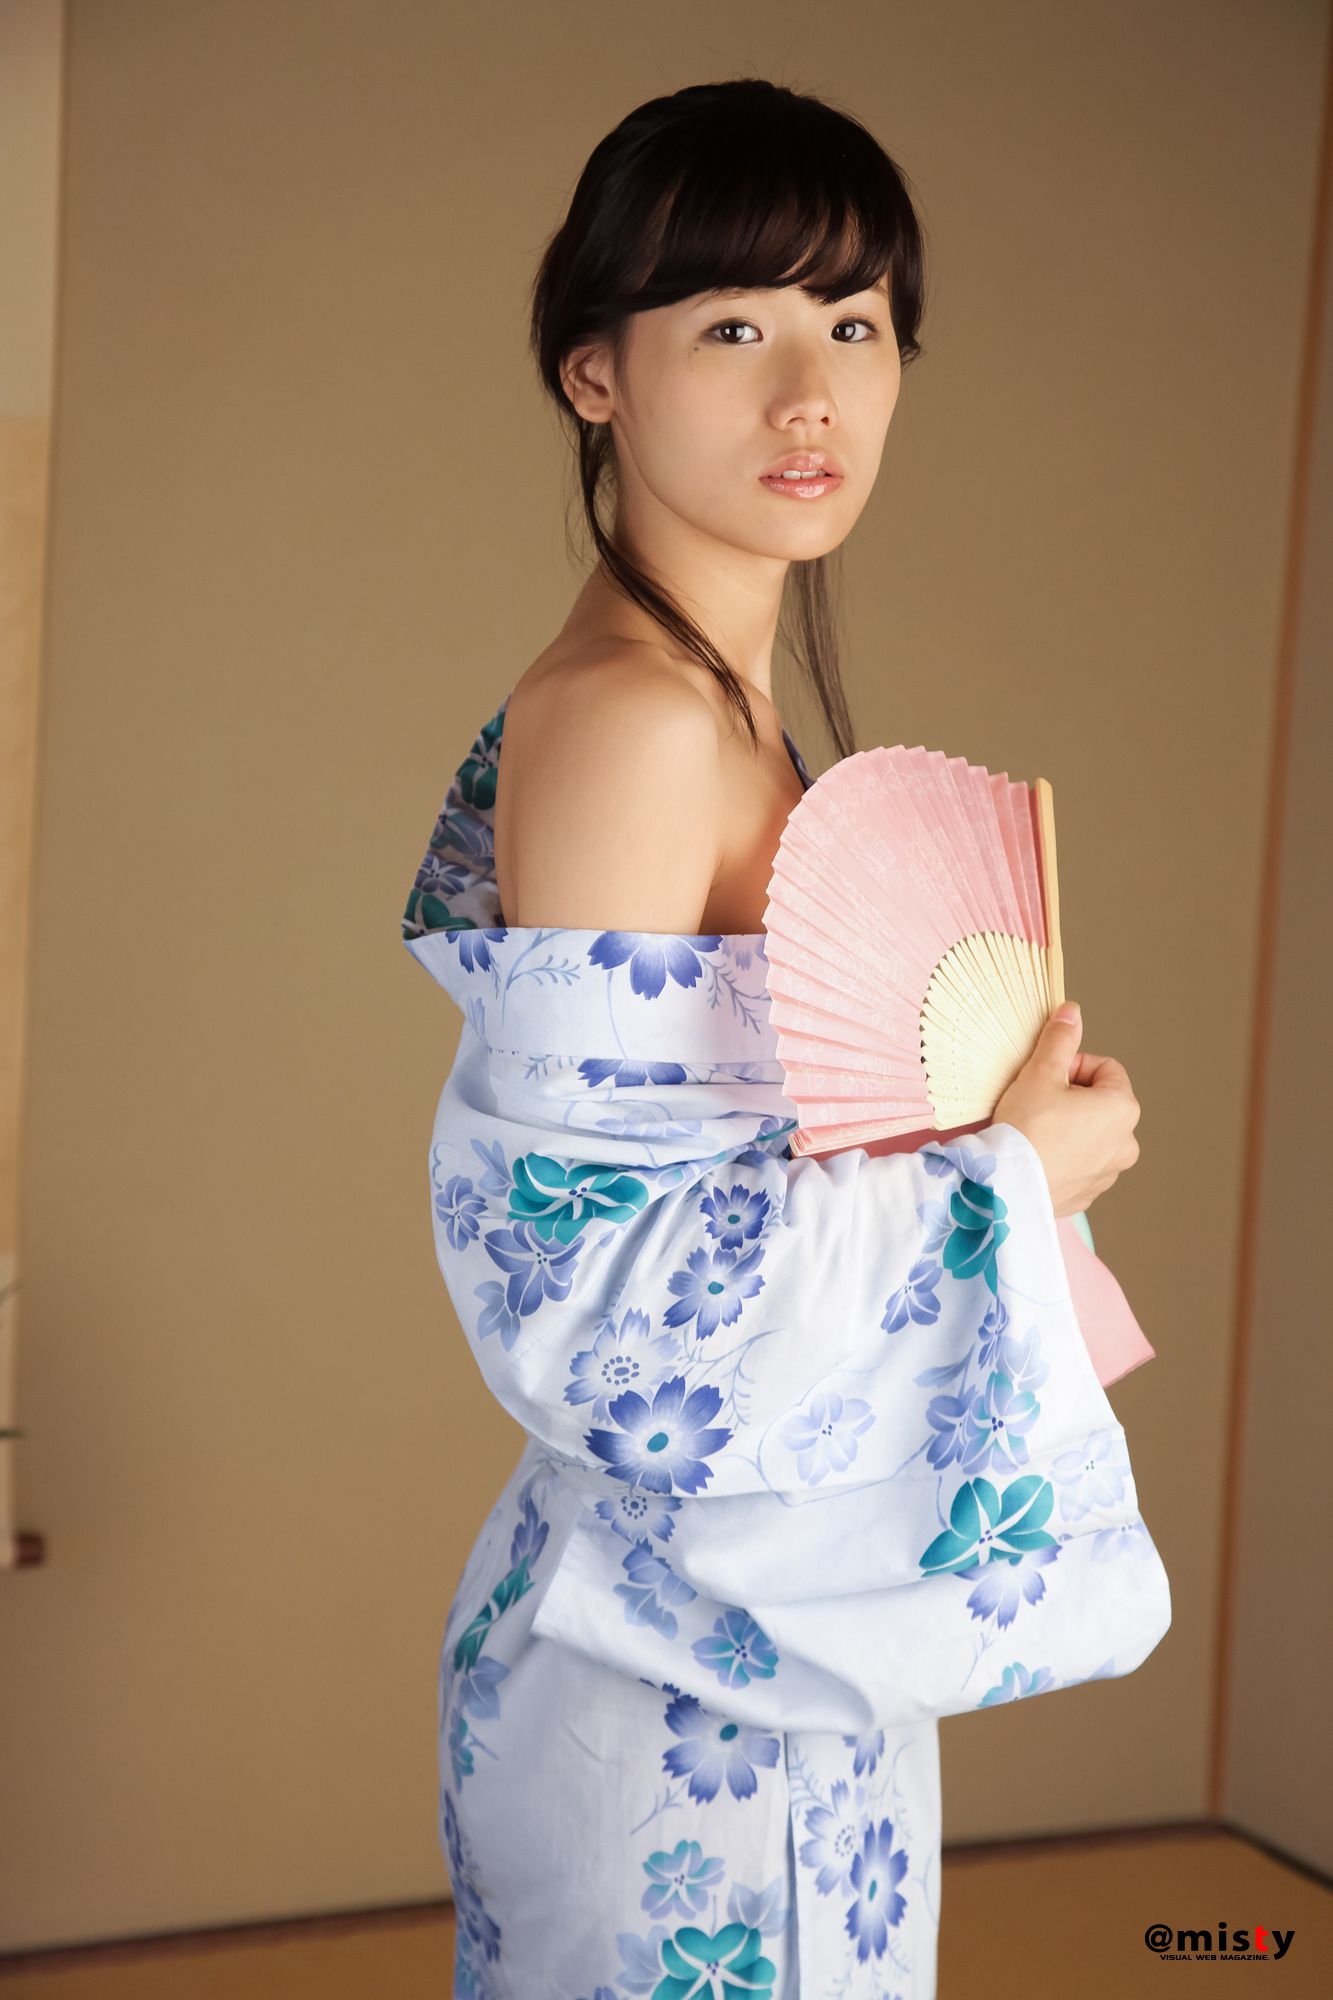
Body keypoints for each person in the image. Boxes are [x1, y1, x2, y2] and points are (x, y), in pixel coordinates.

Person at [401, 78, 1167, 2000]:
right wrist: (1006, 1186)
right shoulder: (639, 721)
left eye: (856, 323)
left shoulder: (725, 710)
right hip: (668, 1681)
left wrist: (988, 1154)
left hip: (751, 1641)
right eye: (734, 327)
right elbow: (587, 1297)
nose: (810, 394)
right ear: (595, 372)